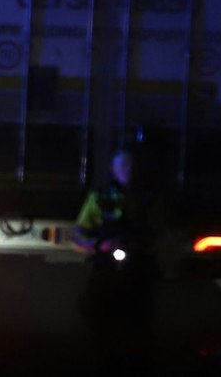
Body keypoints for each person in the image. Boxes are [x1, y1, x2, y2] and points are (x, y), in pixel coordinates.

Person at [73, 150, 159, 370]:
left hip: (137, 266)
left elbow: (159, 230)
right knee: (101, 317)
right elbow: (78, 233)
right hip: (105, 265)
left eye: (130, 167)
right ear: (113, 170)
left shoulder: (147, 198)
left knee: (139, 320)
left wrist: (144, 243)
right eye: (122, 167)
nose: (127, 171)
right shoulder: (99, 197)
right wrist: (97, 246)